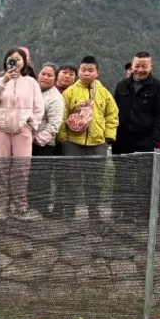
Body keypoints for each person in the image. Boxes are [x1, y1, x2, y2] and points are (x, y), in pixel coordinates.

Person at [112, 52, 160, 222]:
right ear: (132, 65)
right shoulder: (122, 85)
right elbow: (113, 111)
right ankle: (120, 212)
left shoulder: (159, 88)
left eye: (144, 66)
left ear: (151, 66)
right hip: (122, 139)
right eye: (137, 66)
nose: (140, 70)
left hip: (145, 140)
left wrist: (155, 139)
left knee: (144, 179)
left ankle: (143, 214)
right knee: (122, 177)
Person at [0, 48, 44, 220]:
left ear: (24, 62)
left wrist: (30, 125)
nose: (15, 62)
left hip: (22, 130)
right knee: (0, 167)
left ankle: (20, 206)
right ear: (6, 61)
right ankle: (0, 206)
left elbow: (39, 107)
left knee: (21, 168)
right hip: (1, 129)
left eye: (18, 59)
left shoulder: (31, 82)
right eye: (11, 59)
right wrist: (4, 79)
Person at [59, 56, 118, 221]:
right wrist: (63, 138)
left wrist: (109, 136)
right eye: (83, 70)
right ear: (79, 71)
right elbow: (62, 116)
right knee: (70, 178)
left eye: (90, 70)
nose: (87, 73)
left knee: (95, 180)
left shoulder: (104, 93)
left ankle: (94, 212)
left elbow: (112, 115)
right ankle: (70, 211)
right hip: (73, 142)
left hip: (98, 142)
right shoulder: (70, 92)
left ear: (97, 72)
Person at [29, 63, 65, 216]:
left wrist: (36, 140)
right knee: (27, 176)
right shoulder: (33, 91)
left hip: (43, 144)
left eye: (50, 75)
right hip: (26, 141)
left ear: (55, 79)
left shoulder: (55, 98)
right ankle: (28, 205)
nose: (45, 77)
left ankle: (41, 208)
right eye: (43, 73)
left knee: (41, 177)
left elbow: (54, 126)